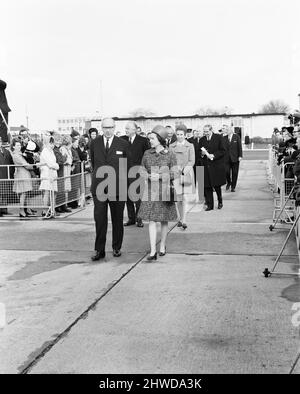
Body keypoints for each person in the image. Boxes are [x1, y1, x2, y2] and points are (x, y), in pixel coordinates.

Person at [90, 117, 131, 261]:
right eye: (105, 128)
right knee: (100, 220)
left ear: (115, 128)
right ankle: (99, 250)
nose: (108, 130)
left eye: (110, 127)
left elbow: (127, 167)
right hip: (99, 188)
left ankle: (116, 247)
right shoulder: (94, 143)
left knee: (117, 219)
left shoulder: (123, 144)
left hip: (117, 189)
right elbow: (94, 163)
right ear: (101, 128)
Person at [138, 125, 178, 260]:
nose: (150, 141)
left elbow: (175, 172)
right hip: (150, 190)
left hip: (165, 190)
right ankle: (152, 251)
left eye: (152, 138)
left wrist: (160, 176)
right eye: (149, 138)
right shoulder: (147, 153)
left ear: (160, 139)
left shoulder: (170, 154)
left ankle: (162, 245)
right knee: (151, 220)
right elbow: (141, 169)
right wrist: (147, 176)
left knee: (164, 220)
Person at [121, 121, 150, 227]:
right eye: (125, 128)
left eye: (128, 128)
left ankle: (139, 218)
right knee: (127, 197)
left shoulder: (143, 141)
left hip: (138, 173)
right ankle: (131, 218)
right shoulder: (122, 140)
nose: (126, 130)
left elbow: (147, 156)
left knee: (138, 197)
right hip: (124, 173)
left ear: (134, 129)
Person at [169, 124, 195, 230]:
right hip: (176, 174)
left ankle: (184, 220)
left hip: (186, 173)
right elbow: (170, 160)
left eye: (181, 134)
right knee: (178, 199)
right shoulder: (171, 146)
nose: (179, 136)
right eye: (178, 134)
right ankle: (180, 218)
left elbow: (192, 160)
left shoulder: (190, 146)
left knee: (184, 197)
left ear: (185, 135)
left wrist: (184, 170)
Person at [198, 124, 226, 211]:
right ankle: (210, 205)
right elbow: (198, 151)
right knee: (207, 186)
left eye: (207, 131)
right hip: (206, 166)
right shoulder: (202, 139)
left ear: (211, 130)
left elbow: (223, 150)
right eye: (204, 131)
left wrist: (214, 155)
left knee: (217, 186)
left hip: (216, 165)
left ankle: (220, 201)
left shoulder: (218, 137)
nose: (205, 133)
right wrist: (202, 154)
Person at [11, 138, 37, 218]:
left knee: (26, 193)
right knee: (23, 193)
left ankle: (26, 210)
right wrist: (36, 165)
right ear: (14, 146)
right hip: (22, 175)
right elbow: (26, 165)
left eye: (19, 145)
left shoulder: (20, 154)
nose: (19, 146)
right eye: (17, 145)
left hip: (25, 175)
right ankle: (22, 211)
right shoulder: (16, 155)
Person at [39, 136, 59, 217]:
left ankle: (52, 209)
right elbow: (49, 163)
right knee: (47, 192)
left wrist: (55, 165)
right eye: (50, 143)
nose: (52, 145)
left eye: (52, 143)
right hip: (47, 174)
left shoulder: (51, 151)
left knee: (54, 192)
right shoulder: (45, 151)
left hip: (53, 174)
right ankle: (45, 210)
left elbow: (53, 163)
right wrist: (56, 166)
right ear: (46, 143)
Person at [223, 126, 243, 192]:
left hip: (235, 158)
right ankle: (228, 182)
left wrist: (240, 156)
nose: (226, 131)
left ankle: (233, 187)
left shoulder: (236, 137)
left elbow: (239, 147)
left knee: (235, 173)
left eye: (228, 130)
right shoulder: (224, 138)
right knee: (226, 172)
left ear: (231, 130)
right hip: (226, 159)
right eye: (226, 130)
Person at [0, 135, 13, 216]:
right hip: (0, 175)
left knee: (5, 192)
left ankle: (4, 209)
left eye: (0, 141)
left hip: (6, 174)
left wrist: (11, 173)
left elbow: (11, 162)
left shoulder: (7, 151)